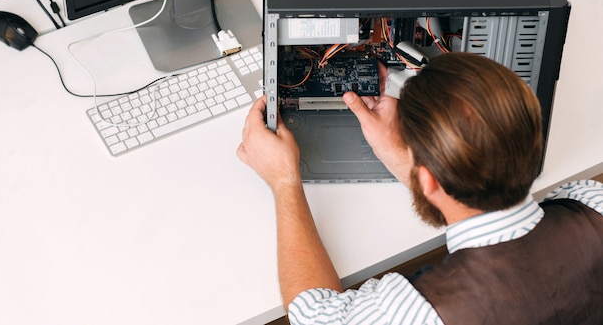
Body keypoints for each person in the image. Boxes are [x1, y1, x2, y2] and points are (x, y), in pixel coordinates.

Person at [236, 52, 603, 325]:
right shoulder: (591, 201)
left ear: (426, 179)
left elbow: (313, 313)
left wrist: (284, 180)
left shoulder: (419, 311)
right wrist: (404, 156)